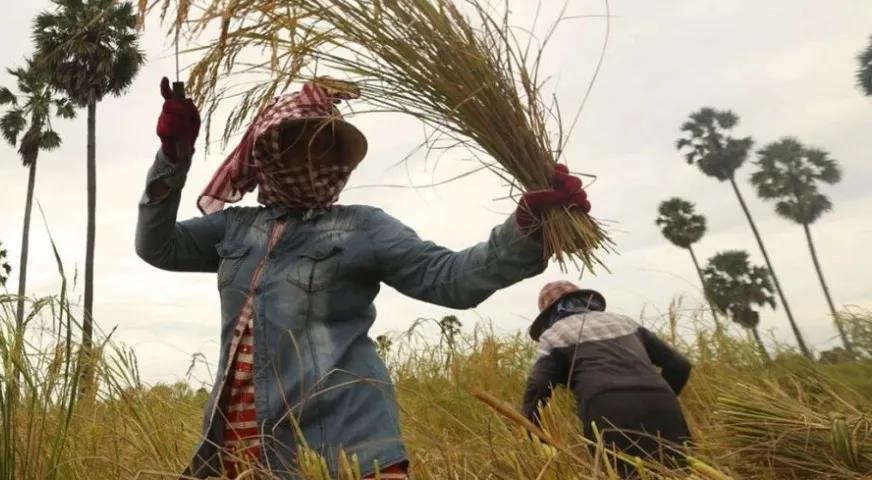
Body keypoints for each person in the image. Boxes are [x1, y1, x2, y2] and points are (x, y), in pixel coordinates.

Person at [136, 76, 591, 479]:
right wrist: (173, 158)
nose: (311, 157)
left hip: (347, 447)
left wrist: (526, 230)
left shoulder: (362, 227)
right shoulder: (235, 228)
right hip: (242, 444)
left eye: (322, 144)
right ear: (268, 152)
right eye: (295, 142)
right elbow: (157, 246)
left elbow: (452, 279)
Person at [522, 281, 693, 476]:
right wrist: (657, 397)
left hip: (608, 410)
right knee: (679, 472)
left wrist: (532, 430)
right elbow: (680, 365)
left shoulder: (555, 334)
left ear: (548, 314)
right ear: (587, 300)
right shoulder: (624, 322)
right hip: (662, 404)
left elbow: (538, 385)